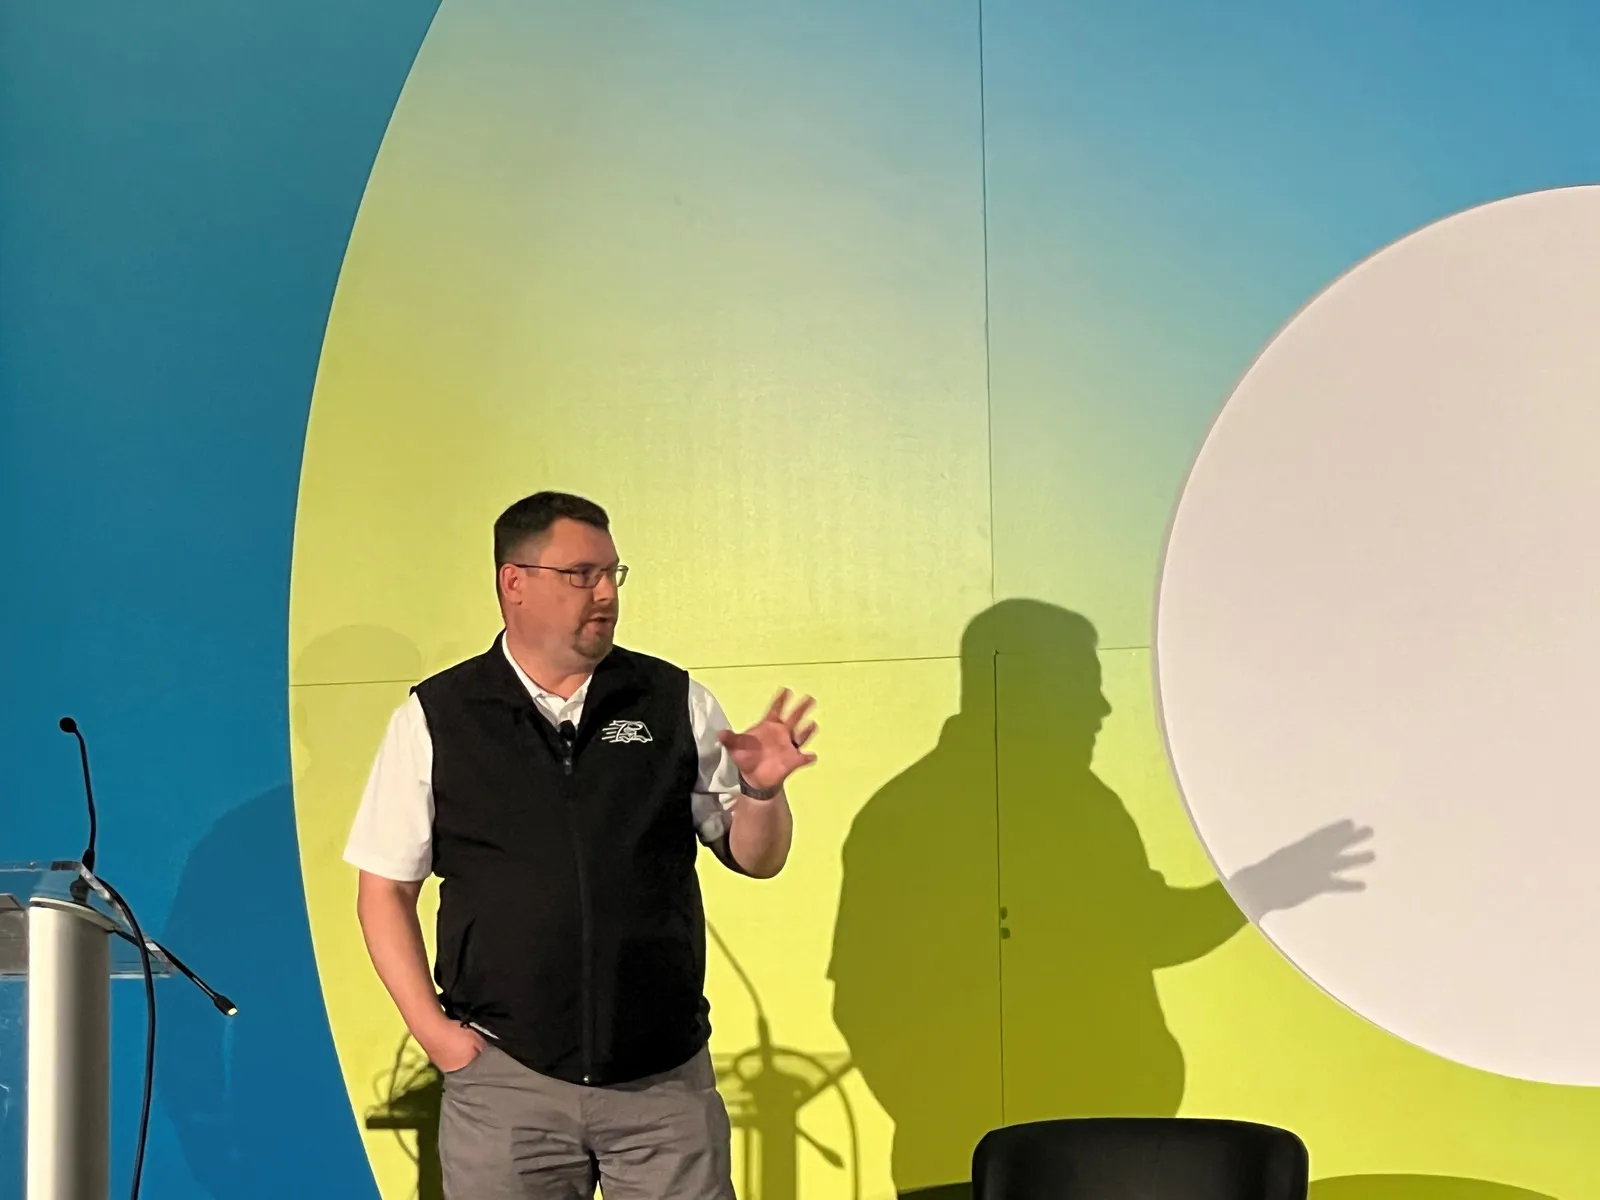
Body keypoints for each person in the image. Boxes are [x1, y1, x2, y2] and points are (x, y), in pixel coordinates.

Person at [344, 491, 817, 1199]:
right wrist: (439, 1038)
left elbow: (757, 857)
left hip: (663, 1083)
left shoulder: (672, 699)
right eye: (581, 574)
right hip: (507, 1080)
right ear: (514, 583)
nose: (604, 594)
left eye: (612, 575)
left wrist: (761, 791)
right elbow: (384, 890)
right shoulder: (438, 717)